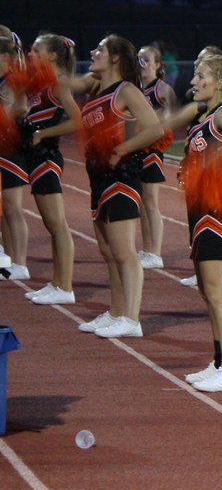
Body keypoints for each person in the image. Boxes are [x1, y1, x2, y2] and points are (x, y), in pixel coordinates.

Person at [73, 35, 164, 339]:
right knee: (107, 250)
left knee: (124, 251)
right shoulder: (98, 88)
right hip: (98, 177)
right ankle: (115, 311)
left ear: (114, 58)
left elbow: (155, 127)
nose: (93, 52)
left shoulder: (125, 90)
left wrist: (123, 148)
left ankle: (132, 318)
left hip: (122, 177)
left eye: (99, 49)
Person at [177, 54, 222, 392]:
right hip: (199, 208)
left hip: (217, 208)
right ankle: (219, 360)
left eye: (200, 75)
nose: (193, 81)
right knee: (207, 288)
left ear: (220, 83)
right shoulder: (204, 115)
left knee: (217, 290)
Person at [21, 33, 82, 305]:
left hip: (46, 158)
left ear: (53, 55)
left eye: (36, 50)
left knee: (58, 226)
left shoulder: (58, 83)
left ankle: (65, 287)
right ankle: (57, 282)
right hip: (35, 158)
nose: (31, 54)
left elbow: (77, 121)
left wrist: (43, 135)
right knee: (51, 225)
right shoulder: (40, 85)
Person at [137, 44, 179, 270]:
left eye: (146, 60)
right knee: (142, 203)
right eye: (139, 60)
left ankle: (155, 252)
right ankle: (146, 249)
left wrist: (151, 119)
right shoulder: (135, 89)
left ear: (158, 65)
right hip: (136, 149)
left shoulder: (162, 90)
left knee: (151, 202)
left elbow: (170, 121)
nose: (142, 64)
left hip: (152, 150)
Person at [0, 34, 31, 280]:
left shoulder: (12, 79)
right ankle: (9, 258)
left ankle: (20, 262)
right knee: (3, 208)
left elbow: (21, 106)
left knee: (12, 207)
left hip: (10, 147)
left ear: (5, 57)